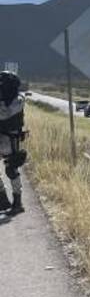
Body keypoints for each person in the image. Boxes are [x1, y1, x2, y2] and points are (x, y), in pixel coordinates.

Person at [0, 70, 27, 215]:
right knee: (12, 169)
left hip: (10, 139)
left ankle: (16, 203)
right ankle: (5, 200)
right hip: (11, 139)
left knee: (11, 169)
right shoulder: (19, 98)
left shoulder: (17, 100)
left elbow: (5, 114)